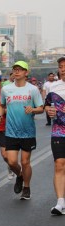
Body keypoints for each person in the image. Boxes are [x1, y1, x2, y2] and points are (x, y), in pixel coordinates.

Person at [0, 61, 44, 200]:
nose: (17, 72)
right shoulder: (6, 89)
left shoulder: (33, 90)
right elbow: (1, 105)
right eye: (15, 69)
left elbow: (41, 108)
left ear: (26, 72)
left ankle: (27, 187)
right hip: (11, 131)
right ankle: (20, 176)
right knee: (11, 161)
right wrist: (0, 115)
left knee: (25, 162)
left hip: (27, 131)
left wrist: (33, 109)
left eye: (20, 69)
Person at [45, 56, 65, 214]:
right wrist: (48, 109)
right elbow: (46, 104)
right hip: (59, 131)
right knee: (59, 164)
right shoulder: (54, 87)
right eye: (61, 66)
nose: (63, 69)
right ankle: (60, 202)